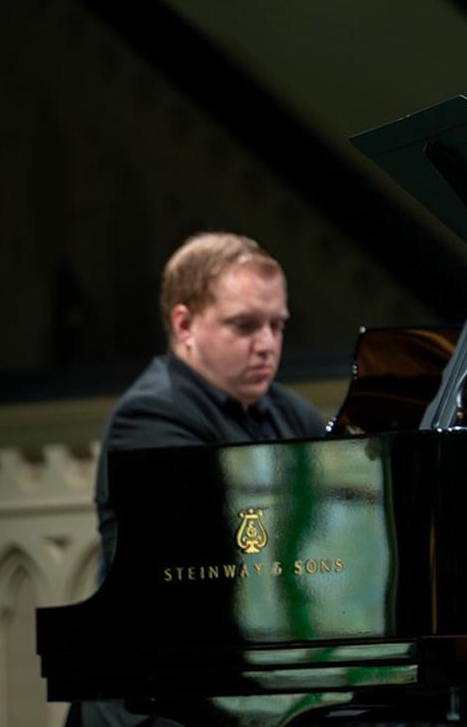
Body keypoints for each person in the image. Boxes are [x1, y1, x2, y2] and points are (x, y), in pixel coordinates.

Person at [79, 232, 327, 727]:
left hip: (249, 672)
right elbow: (219, 571)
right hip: (160, 697)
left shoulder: (289, 411)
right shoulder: (149, 417)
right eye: (244, 326)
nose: (267, 346)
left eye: (277, 326)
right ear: (185, 323)